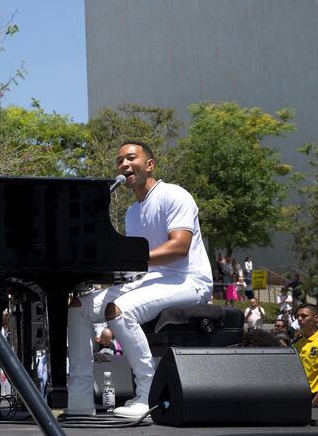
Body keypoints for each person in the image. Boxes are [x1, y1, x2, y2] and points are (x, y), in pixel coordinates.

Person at [68, 142, 213, 419]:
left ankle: (148, 394)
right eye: (119, 160)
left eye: (131, 158)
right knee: (78, 308)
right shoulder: (132, 212)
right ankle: (81, 397)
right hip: (151, 280)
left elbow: (178, 247)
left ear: (150, 164)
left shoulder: (174, 195)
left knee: (119, 310)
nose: (124, 164)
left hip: (188, 280)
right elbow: (137, 267)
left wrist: (131, 262)